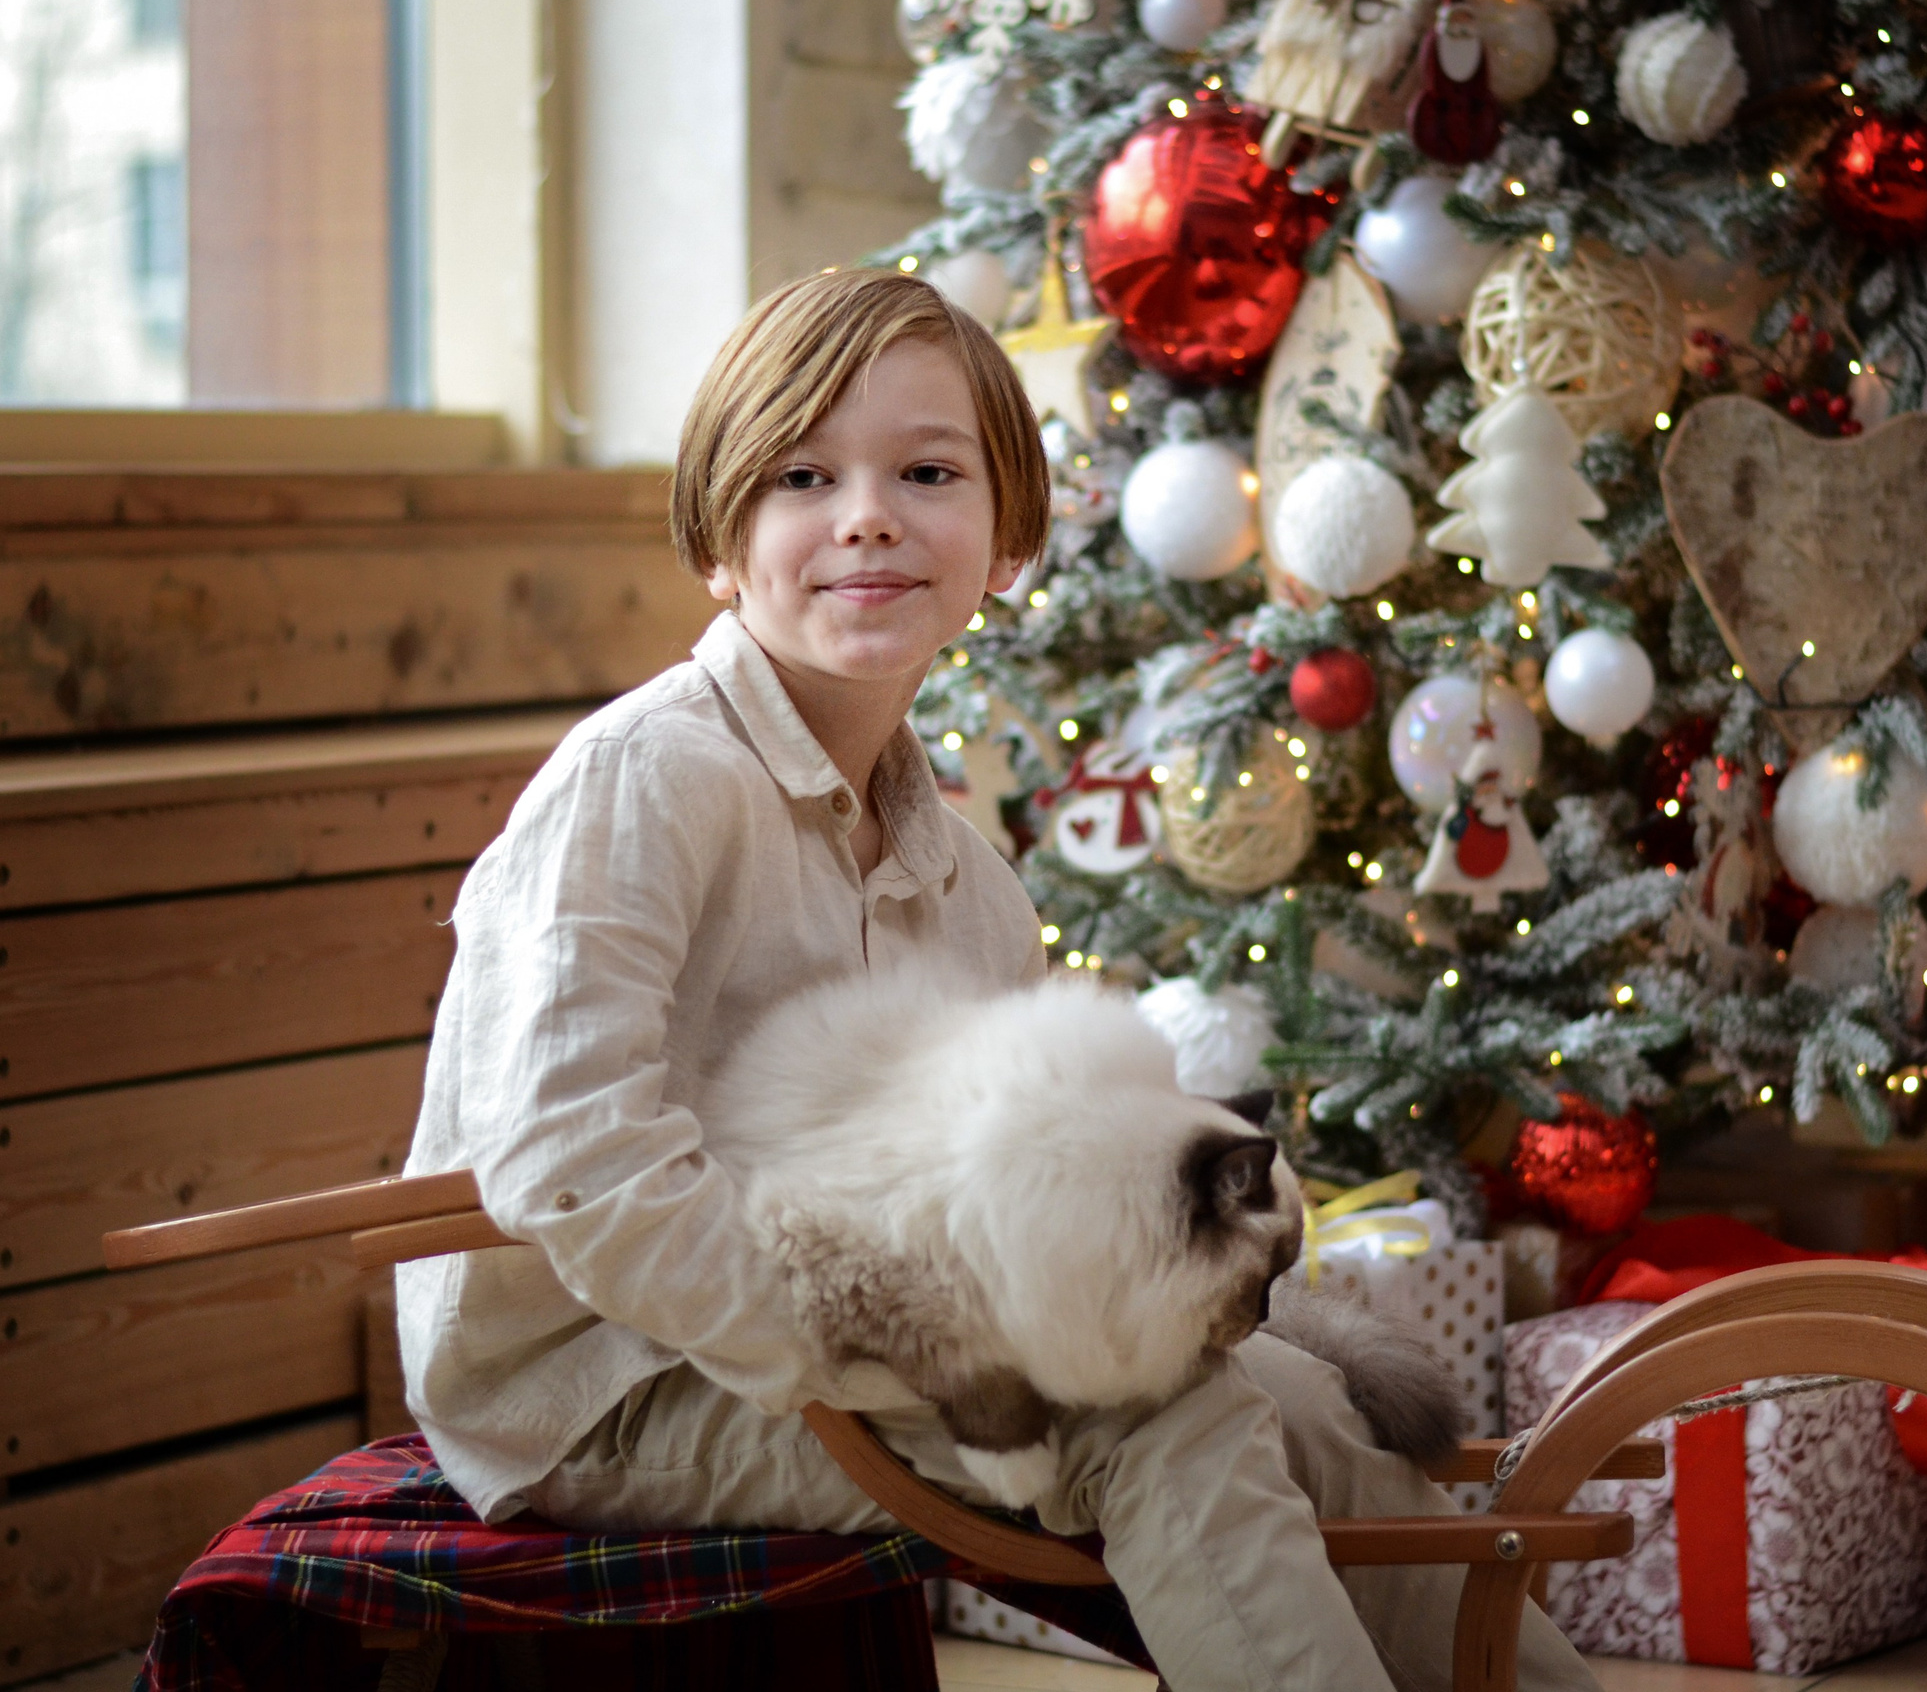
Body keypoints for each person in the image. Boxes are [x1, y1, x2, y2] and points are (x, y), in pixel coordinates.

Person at [396, 268, 1602, 1692]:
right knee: (1160, 1430)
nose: (867, 515)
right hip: (613, 1380)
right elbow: (575, 1160)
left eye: (927, 471)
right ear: (722, 541)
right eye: (801, 474)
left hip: (898, 1335)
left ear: (1007, 536)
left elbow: (991, 1206)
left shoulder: (972, 891)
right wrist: (908, 1359)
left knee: (1312, 1407)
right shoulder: (644, 780)